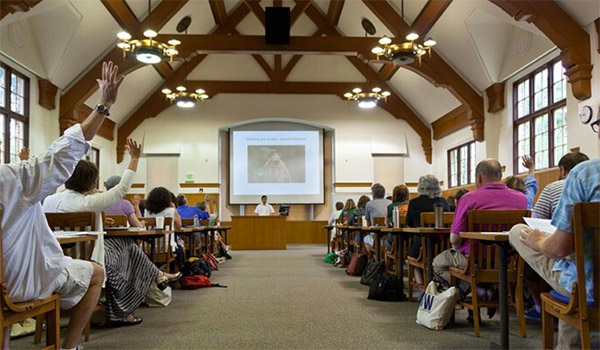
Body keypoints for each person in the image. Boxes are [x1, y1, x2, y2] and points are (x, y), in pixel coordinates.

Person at [0, 61, 121, 350]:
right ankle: (69, 347)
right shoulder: (10, 179)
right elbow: (63, 154)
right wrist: (103, 104)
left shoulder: (27, 185)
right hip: (16, 284)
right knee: (96, 272)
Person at [43, 141, 181, 327]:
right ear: (92, 182)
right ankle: (128, 306)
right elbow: (122, 188)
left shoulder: (48, 201)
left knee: (125, 247)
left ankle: (157, 276)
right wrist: (134, 158)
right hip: (90, 262)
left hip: (56, 260)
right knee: (128, 250)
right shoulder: (89, 202)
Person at [509, 155, 599, 349]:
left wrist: (539, 241)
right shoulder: (524, 195)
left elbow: (559, 247)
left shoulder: (584, 174)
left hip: (590, 287)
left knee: (519, 233)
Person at [432, 159, 527, 319]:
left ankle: (478, 289)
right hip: (508, 262)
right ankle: (487, 289)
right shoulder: (521, 199)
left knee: (437, 263)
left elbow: (454, 239)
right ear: (500, 175)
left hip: (473, 261)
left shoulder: (469, 198)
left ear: (479, 178)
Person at [520, 152, 589, 321]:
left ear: (563, 170)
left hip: (575, 274)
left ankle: (538, 306)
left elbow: (535, 222)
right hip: (591, 260)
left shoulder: (554, 187)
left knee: (521, 234)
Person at [406, 175, 450, 287]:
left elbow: (409, 222)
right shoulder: (443, 202)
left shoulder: (414, 203)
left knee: (412, 257)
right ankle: (439, 284)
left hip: (422, 245)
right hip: (443, 245)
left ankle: (421, 286)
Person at [363, 184, 391, 255]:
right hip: (388, 236)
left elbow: (368, 224)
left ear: (373, 194)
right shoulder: (390, 202)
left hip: (375, 237)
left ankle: (374, 257)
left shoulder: (369, 204)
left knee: (366, 238)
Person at [384, 185, 410, 251]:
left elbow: (386, 224)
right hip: (410, 240)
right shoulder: (411, 205)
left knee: (385, 242)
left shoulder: (390, 207)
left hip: (394, 240)